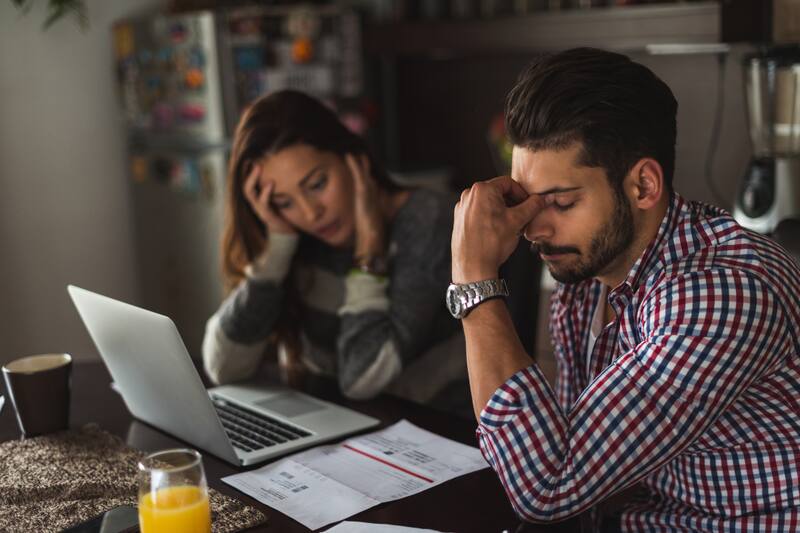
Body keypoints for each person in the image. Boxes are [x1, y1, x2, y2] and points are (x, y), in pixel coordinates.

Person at [449, 48, 800, 531]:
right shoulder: (586, 275)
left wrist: (475, 281)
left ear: (643, 186)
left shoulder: (721, 293)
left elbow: (548, 485)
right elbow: (572, 470)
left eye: (561, 202)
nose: (534, 229)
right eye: (528, 201)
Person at [202, 90, 467, 410]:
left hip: (433, 432)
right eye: (284, 202)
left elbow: (362, 379)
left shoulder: (428, 220)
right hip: (338, 427)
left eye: (316, 184)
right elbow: (222, 366)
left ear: (353, 157)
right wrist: (276, 251)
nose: (310, 213)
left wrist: (369, 252)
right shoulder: (298, 236)